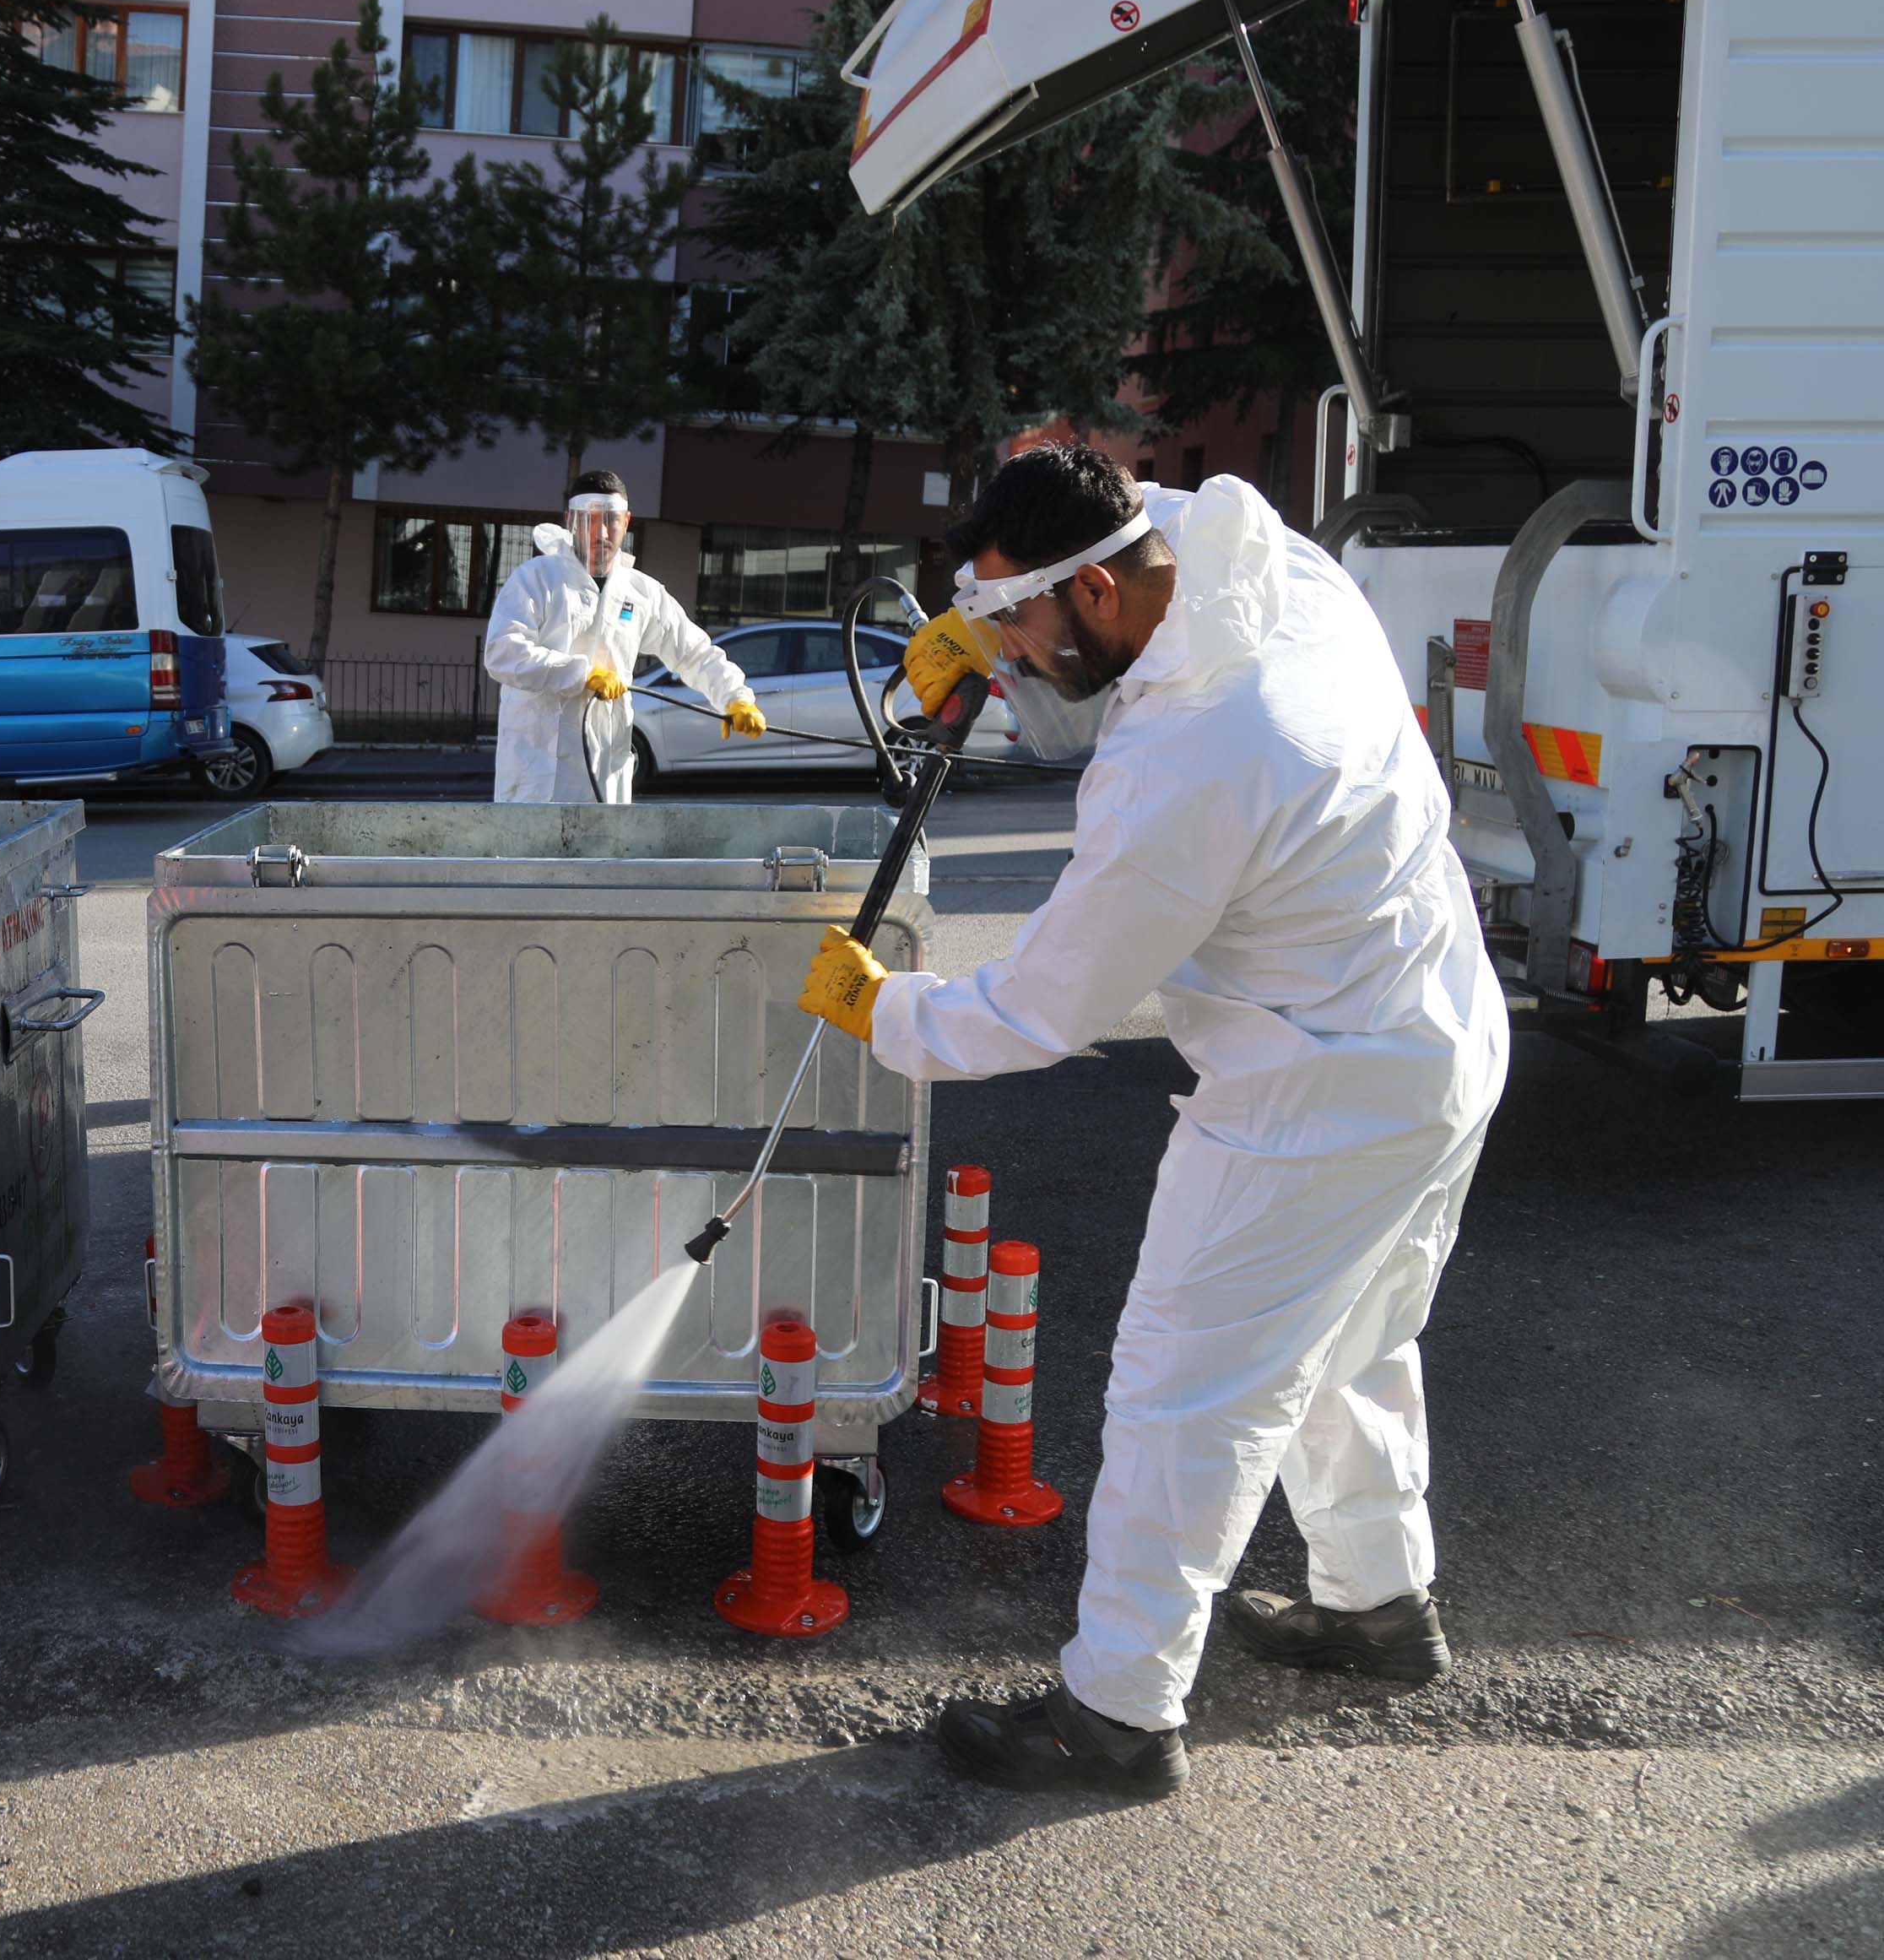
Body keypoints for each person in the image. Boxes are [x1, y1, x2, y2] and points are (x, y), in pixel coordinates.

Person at [797, 446, 1510, 1800]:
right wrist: (975, 615)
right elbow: (1141, 509)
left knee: (1183, 1387)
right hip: (1434, 1034)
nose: (1003, 653)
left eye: (1018, 622)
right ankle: (1378, 1607)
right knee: (1351, 1341)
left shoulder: (1194, 751)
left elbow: (1039, 1006)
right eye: (984, 623)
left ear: (1106, 598)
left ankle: (1115, 1713)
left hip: (1317, 1091)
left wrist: (879, 1009)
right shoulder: (1266, 567)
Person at [483, 468, 768, 802]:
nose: (601, 532)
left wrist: (736, 698)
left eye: (612, 520)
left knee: (601, 851)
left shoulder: (639, 591)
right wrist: (582, 674)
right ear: (570, 520)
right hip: (538, 773)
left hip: (606, 770)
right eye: (589, 519)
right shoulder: (537, 579)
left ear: (627, 521)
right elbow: (503, 652)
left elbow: (693, 652)